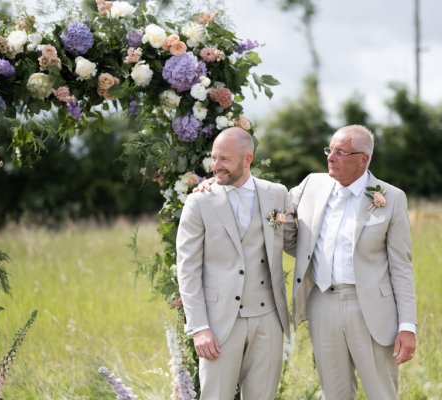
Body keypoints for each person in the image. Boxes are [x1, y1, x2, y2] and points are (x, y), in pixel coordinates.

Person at [283, 124, 417, 400]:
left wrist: (407, 326)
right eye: (329, 150)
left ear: (363, 159)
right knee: (334, 394)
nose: (331, 157)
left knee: (382, 393)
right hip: (322, 303)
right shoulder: (311, 185)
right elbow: (276, 210)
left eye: (341, 152)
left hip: (370, 308)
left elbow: (401, 267)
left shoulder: (390, 198)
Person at [175, 127, 290, 400]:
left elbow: (298, 237)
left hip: (268, 319)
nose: (216, 166)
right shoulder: (198, 202)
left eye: (224, 159)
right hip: (219, 323)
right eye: (214, 158)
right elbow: (187, 269)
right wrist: (199, 327)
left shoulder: (277, 194)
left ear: (247, 159)